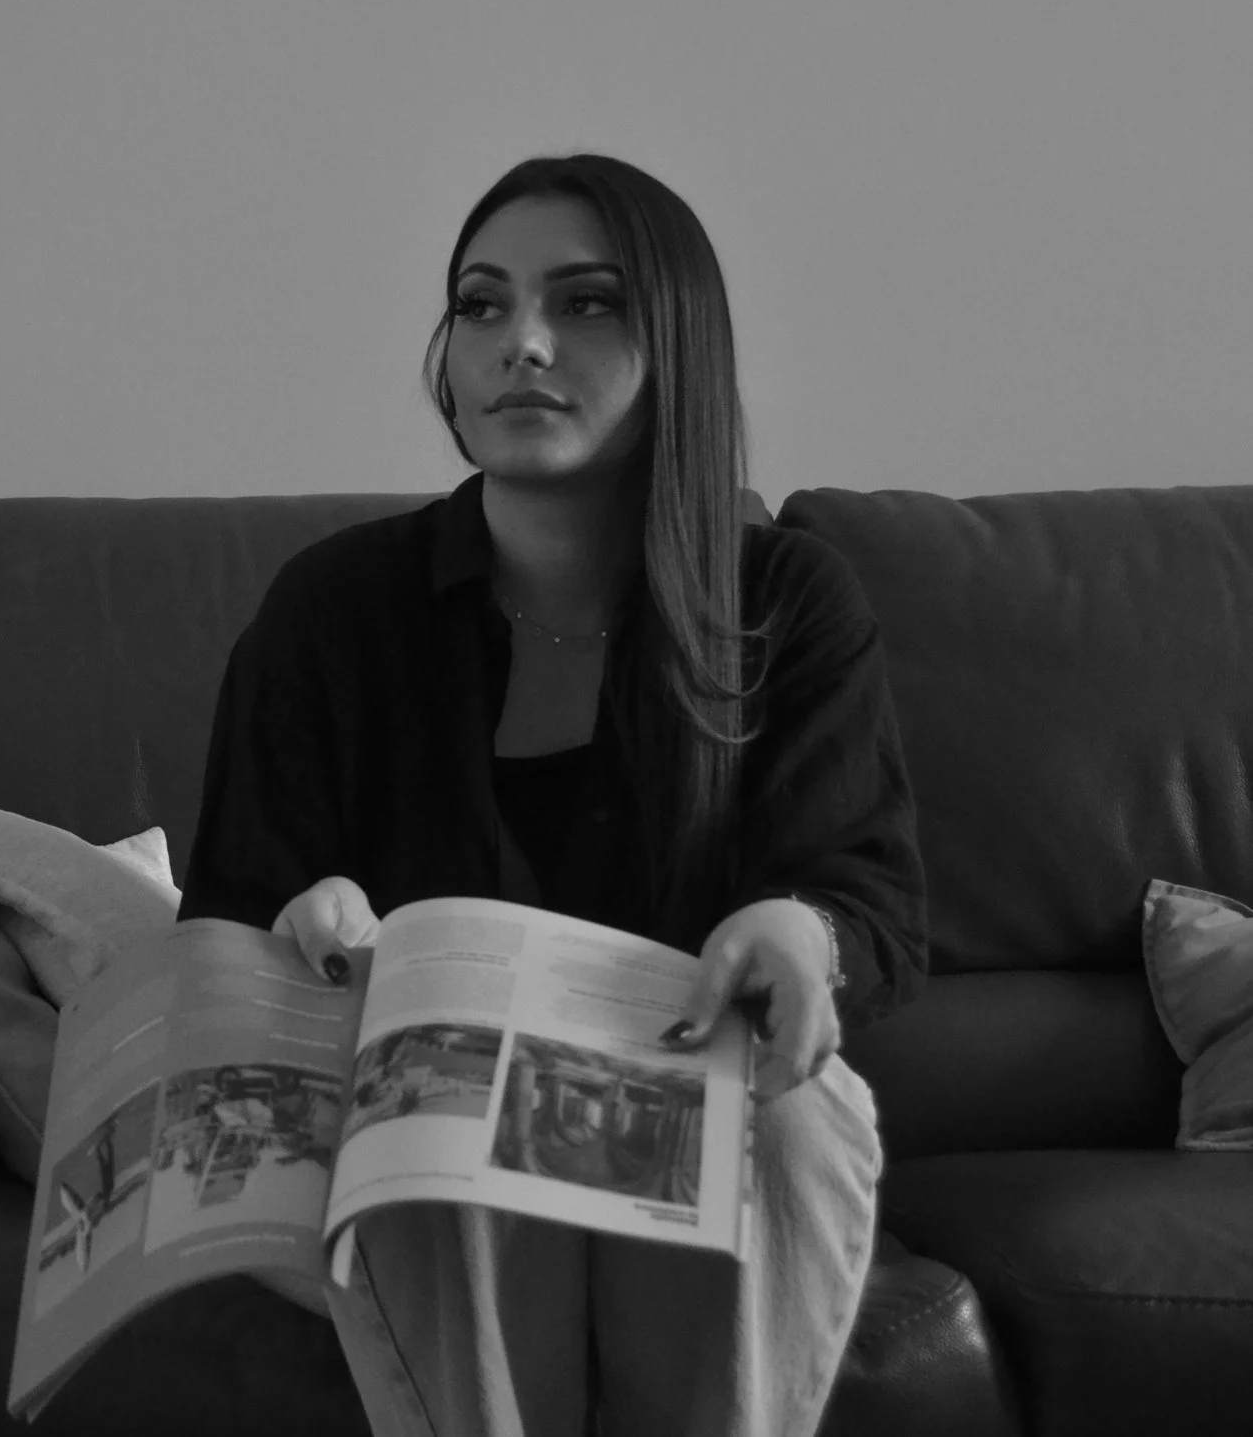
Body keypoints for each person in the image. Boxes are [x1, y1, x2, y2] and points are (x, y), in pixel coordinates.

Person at [178, 153, 926, 1437]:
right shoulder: (330, 608)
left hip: (686, 1107)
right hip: (413, 1148)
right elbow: (235, 915)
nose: (519, 342)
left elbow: (872, 907)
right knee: (445, 1137)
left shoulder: (788, 602)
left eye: (586, 303)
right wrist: (306, 920)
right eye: (480, 304)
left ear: (676, 341)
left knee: (792, 1118)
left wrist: (808, 931)